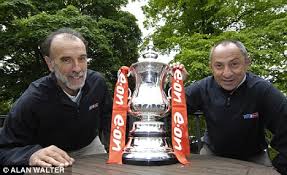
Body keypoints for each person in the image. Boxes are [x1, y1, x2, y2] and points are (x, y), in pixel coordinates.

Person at [0, 28, 112, 167]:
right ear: (50, 63)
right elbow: (5, 150)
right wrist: (31, 154)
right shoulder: (32, 99)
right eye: (66, 60)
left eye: (82, 58)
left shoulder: (98, 83)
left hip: (90, 147)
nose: (77, 68)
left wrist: (114, 148)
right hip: (50, 155)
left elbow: (110, 119)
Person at [172, 40, 287, 174]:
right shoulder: (202, 87)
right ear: (211, 67)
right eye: (219, 66)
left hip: (254, 157)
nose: (227, 73)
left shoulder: (262, 90)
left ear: (247, 62)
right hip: (212, 155)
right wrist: (176, 86)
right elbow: (171, 110)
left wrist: (279, 167)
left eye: (234, 64)